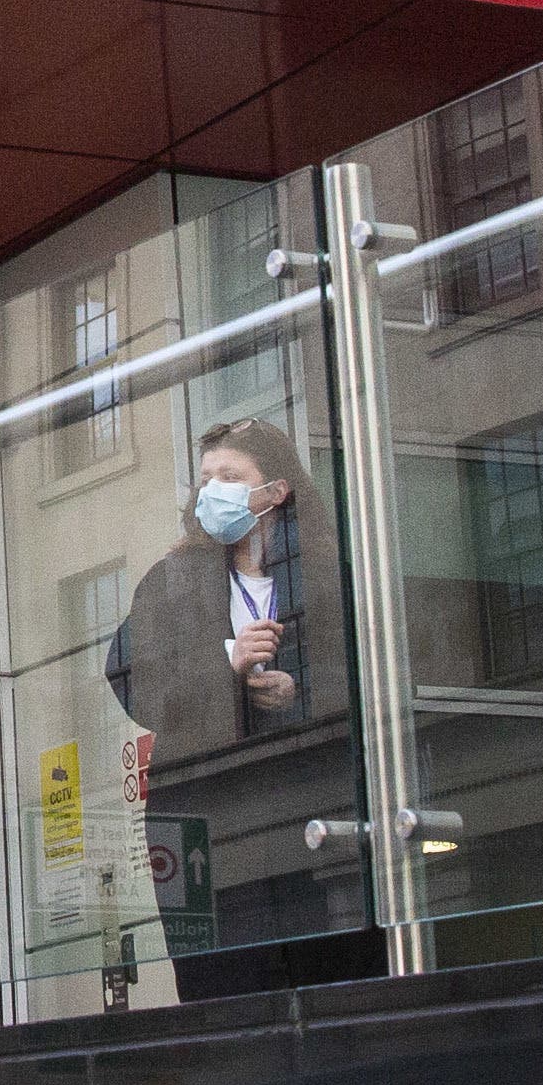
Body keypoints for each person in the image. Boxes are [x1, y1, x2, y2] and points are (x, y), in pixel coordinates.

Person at [109, 418, 350, 997]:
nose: (212, 489)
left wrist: (301, 693)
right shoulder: (172, 580)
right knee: (222, 984)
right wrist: (227, 670)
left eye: (231, 475)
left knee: (329, 970)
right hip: (205, 815)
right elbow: (129, 678)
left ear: (276, 490)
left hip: (309, 799)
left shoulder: (325, 568)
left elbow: (368, 664)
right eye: (206, 478)